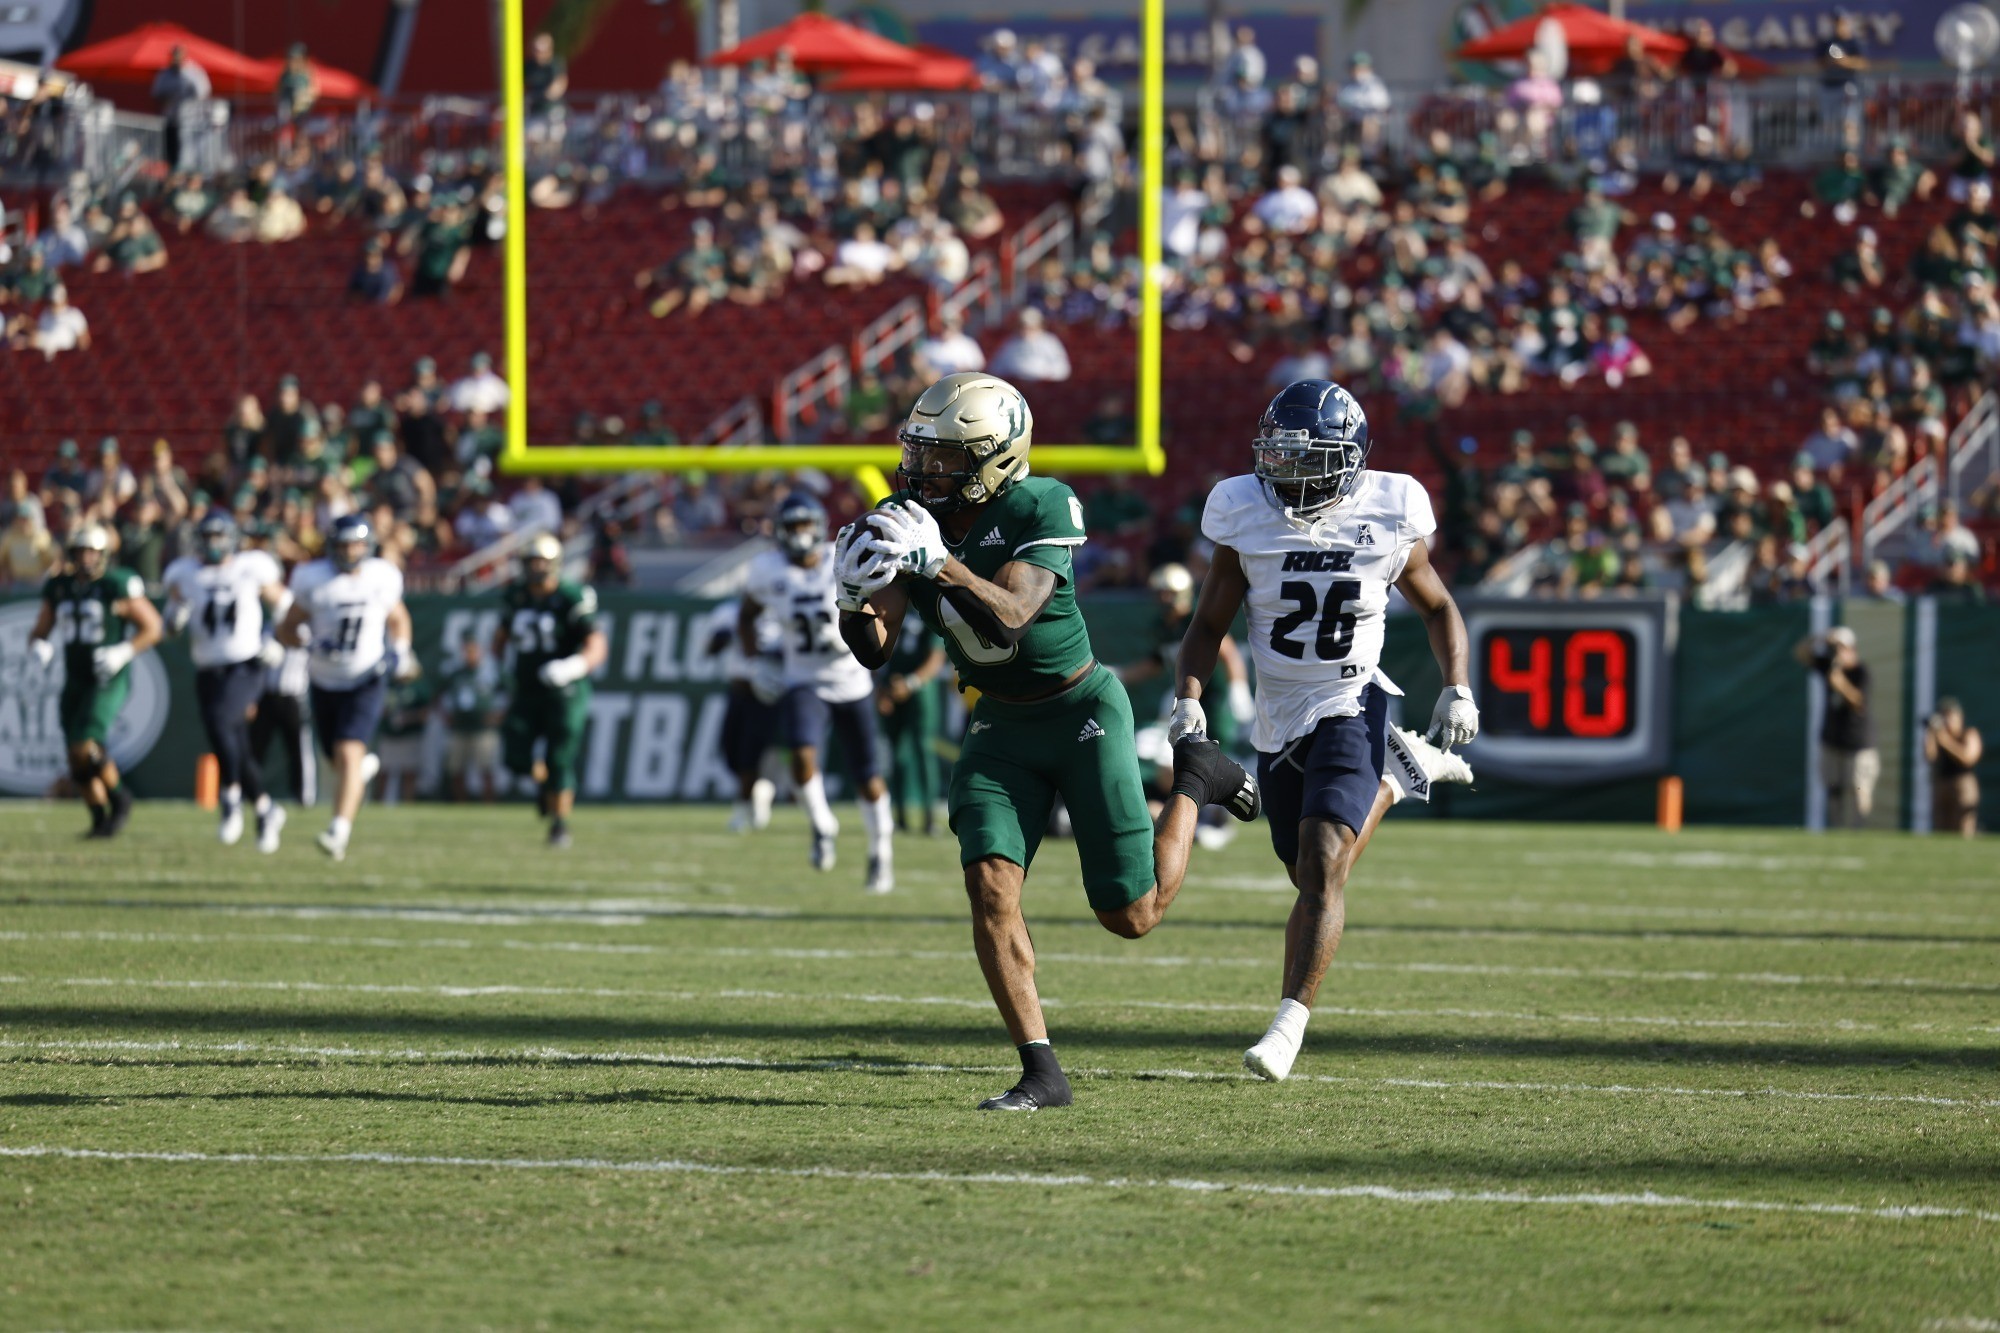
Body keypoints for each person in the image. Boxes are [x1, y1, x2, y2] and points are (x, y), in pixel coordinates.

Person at [838, 373, 1262, 1110]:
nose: (923, 470)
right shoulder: (907, 514)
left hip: (1081, 711)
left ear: (995, 457)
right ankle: (1041, 1068)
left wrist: (938, 561)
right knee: (989, 884)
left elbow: (1012, 614)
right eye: (921, 452)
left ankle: (1195, 777)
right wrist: (849, 602)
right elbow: (877, 646)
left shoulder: (1042, 501)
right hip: (1000, 722)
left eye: (944, 457)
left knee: (1131, 914)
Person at [1171, 380, 1477, 1082]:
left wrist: (1456, 684)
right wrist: (1189, 696)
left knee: (1324, 858)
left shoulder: (1392, 508)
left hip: (1352, 693)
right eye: (1279, 456)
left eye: (1306, 459)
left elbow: (1437, 607)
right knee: (1301, 865)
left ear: (1349, 459)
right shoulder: (1243, 509)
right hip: (1279, 715)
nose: (1287, 473)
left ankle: (1287, 1025)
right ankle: (1398, 778)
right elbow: (1208, 624)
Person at [742, 493, 897, 892]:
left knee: (868, 777)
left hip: (852, 678)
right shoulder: (767, 569)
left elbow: (884, 604)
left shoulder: (842, 557)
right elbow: (747, 616)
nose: (798, 534)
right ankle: (822, 825)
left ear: (818, 525)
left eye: (803, 525)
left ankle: (881, 852)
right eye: (790, 527)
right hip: (803, 679)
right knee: (801, 754)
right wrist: (756, 661)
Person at [278, 513, 415, 861]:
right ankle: (359, 772)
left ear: (368, 546)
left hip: (366, 676)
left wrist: (399, 651)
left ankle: (339, 829)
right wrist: (306, 641)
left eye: (356, 544)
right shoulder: (312, 578)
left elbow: (398, 618)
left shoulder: (381, 576)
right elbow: (287, 627)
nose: (350, 551)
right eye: (343, 544)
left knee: (348, 751)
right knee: (336, 757)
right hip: (324, 679)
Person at [161, 513, 292, 851]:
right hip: (208, 668)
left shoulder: (250, 567)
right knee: (234, 742)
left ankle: (230, 796)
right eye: (208, 538)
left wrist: (275, 638)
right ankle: (264, 808)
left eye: (220, 537)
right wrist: (175, 618)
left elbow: (286, 605)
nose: (214, 545)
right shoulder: (186, 572)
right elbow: (170, 622)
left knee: (222, 725)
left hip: (245, 665)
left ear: (233, 538)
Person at [28, 523, 163, 839]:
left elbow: (153, 627)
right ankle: (99, 819)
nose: (86, 558)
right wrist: (38, 645)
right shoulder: (60, 586)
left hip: (107, 678)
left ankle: (119, 800)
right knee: (76, 757)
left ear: (103, 555)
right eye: (80, 551)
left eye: (92, 552)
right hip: (74, 678)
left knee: (85, 745)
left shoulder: (116, 584)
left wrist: (124, 650)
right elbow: (41, 629)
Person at [492, 531, 607, 848]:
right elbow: (500, 638)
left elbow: (597, 644)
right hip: (526, 687)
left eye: (540, 561)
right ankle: (544, 788)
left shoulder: (571, 596)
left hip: (564, 691)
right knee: (514, 756)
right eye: (530, 561)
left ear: (555, 564)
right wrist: (495, 668)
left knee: (560, 758)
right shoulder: (516, 595)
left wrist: (573, 667)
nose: (534, 568)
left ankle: (559, 824)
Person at [706, 597, 783, 833]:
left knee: (751, 753)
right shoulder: (727, 612)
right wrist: (722, 639)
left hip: (767, 694)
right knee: (730, 752)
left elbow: (790, 653)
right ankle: (759, 789)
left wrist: (767, 653)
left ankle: (741, 809)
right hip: (737, 691)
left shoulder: (781, 613)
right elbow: (709, 649)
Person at [1794, 627, 1877, 829]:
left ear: (1852, 649)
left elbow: (1859, 702)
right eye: (1834, 647)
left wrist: (1840, 683)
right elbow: (1800, 652)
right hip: (1833, 740)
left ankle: (1859, 830)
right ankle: (1837, 829)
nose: (1836, 652)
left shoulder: (1861, 671)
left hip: (1859, 743)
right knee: (1834, 789)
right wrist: (1821, 637)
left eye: (1840, 647)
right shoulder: (1829, 667)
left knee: (1859, 789)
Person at [878, 614, 948, 835]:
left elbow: (936, 657)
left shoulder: (925, 604)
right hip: (892, 689)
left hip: (920, 691)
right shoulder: (889, 601)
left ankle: (929, 818)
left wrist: (910, 684)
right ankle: (899, 817)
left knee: (923, 752)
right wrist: (881, 688)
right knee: (896, 755)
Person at [439, 637, 504, 802]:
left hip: (483, 728)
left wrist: (500, 714)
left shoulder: (491, 673)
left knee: (486, 769)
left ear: (480, 653)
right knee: (456, 770)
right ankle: (461, 804)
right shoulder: (456, 675)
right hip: (459, 728)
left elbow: (511, 692)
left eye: (473, 652)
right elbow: (437, 696)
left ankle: (489, 805)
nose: (470, 655)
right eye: (467, 652)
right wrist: (445, 715)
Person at [1923, 698, 1983, 837]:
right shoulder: (1940, 736)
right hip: (1942, 782)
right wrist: (1930, 734)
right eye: (1943, 715)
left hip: (1962, 784)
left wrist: (1945, 741)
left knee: (1963, 826)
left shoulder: (1968, 733)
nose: (1946, 720)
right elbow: (1929, 756)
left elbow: (1967, 758)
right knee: (1940, 826)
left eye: (1949, 715)